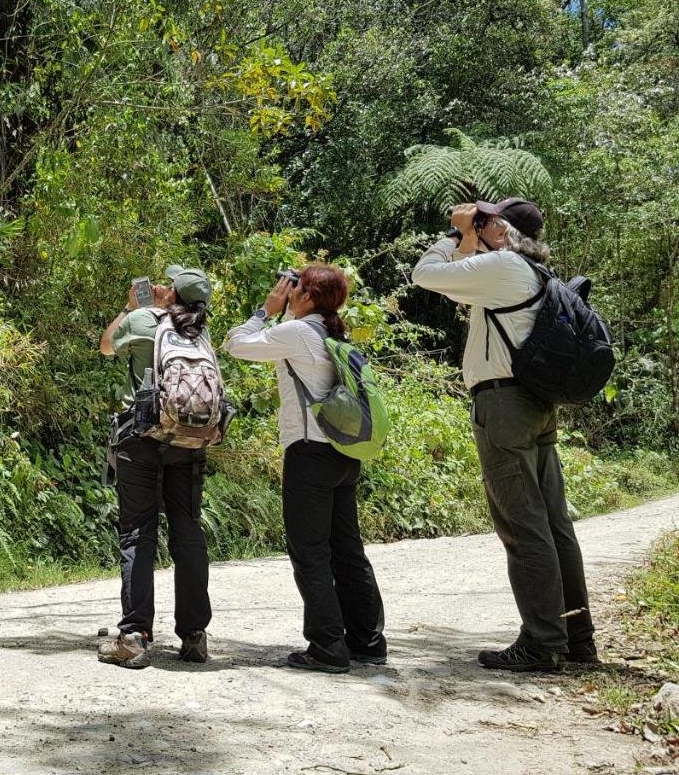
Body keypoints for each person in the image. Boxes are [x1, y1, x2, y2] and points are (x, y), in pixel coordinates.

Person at [411, 198, 596, 672]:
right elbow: (457, 288)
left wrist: (454, 236)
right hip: (536, 405)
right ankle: (576, 638)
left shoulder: (502, 265)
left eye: (489, 221)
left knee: (522, 524)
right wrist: (472, 240)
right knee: (554, 524)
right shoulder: (531, 272)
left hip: (504, 405)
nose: (482, 225)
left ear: (504, 231)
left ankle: (540, 642)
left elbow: (426, 275)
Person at [223, 265, 387, 674]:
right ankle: (367, 642)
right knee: (348, 551)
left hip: (309, 452)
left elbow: (236, 345)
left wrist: (266, 311)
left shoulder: (298, 332)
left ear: (308, 297)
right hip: (343, 453)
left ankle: (328, 646)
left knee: (310, 553)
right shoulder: (333, 333)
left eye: (295, 288)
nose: (289, 293)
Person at [96, 265, 214, 669]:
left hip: (141, 437)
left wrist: (131, 306)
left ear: (171, 293)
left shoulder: (144, 320)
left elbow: (107, 346)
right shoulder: (200, 330)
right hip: (188, 441)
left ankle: (134, 637)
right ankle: (194, 635)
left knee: (137, 532)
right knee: (188, 532)